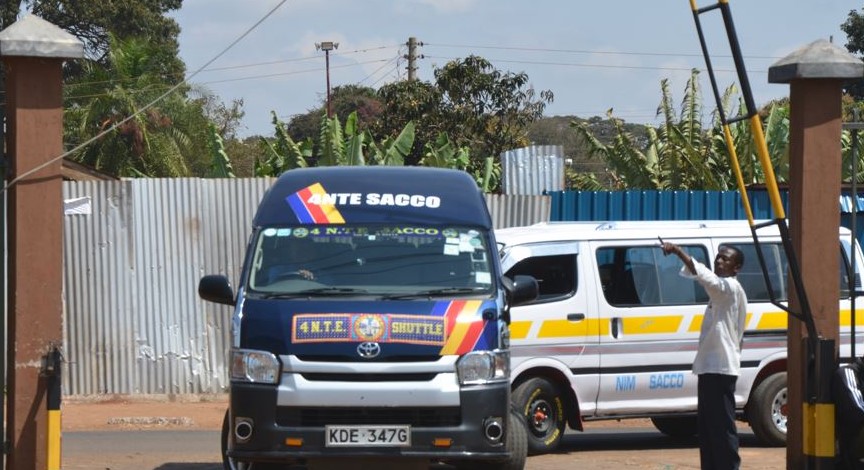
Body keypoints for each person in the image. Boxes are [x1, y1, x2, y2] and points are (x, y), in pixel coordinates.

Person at [661, 240, 747, 470]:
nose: (719, 261)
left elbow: (706, 278)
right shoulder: (719, 292)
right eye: (718, 257)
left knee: (722, 427)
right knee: (708, 428)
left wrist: (679, 251)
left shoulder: (729, 288)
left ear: (736, 268)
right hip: (709, 368)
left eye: (725, 258)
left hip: (721, 369)